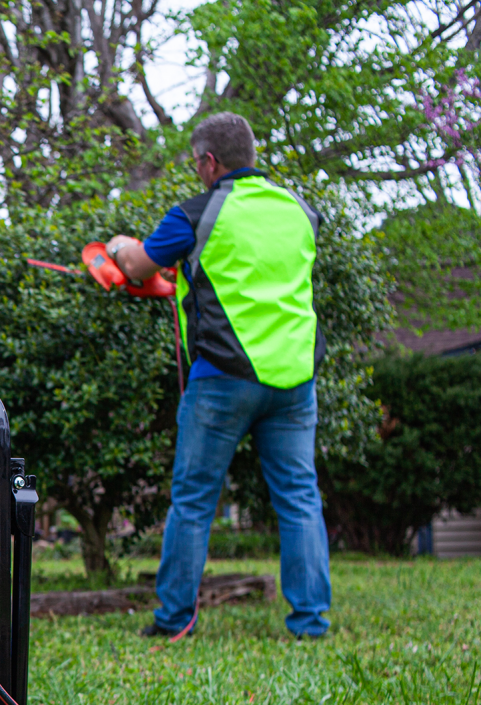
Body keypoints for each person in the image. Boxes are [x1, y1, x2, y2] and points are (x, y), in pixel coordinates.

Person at [102, 112, 331, 639]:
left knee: (194, 500)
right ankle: (311, 623)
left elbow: (137, 266)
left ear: (210, 161)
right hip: (294, 379)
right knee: (299, 499)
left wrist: (116, 247)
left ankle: (174, 619)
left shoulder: (196, 214)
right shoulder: (300, 211)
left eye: (195, 163)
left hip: (223, 378)